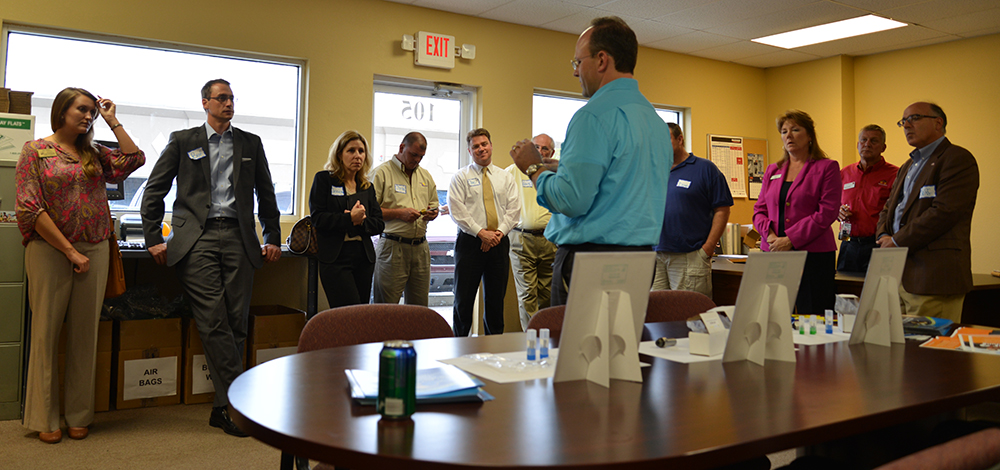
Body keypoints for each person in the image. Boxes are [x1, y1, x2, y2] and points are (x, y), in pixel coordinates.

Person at [140, 79, 281, 437]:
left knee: (236, 322)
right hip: (196, 238)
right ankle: (241, 402)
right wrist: (153, 237)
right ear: (205, 103)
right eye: (222, 98)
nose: (229, 104)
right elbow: (154, 190)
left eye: (232, 98)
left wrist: (274, 237)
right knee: (214, 319)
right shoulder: (182, 141)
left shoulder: (250, 143)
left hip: (239, 236)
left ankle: (222, 406)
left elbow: (266, 195)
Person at [509, 16, 671, 306]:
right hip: (642, 260)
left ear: (601, 60)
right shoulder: (655, 122)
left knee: (578, 350)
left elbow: (571, 201)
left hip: (592, 262)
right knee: (621, 346)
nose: (575, 73)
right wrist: (562, 169)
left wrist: (533, 167)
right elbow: (622, 179)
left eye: (577, 63)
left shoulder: (592, 116)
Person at [16, 87, 144, 443]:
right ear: (62, 111)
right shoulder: (36, 151)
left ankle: (78, 414)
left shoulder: (95, 152)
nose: (88, 117)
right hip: (50, 250)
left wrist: (112, 120)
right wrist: (70, 252)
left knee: (85, 335)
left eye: (92, 112)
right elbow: (29, 207)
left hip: (96, 247)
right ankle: (44, 417)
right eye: (82, 110)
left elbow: (133, 160)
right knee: (45, 333)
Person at [876, 102, 979, 321]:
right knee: (901, 351)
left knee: (930, 351)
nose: (906, 125)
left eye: (914, 118)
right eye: (903, 121)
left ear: (938, 123)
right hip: (899, 274)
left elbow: (944, 212)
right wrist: (883, 234)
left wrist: (896, 241)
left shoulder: (956, 158)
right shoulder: (908, 165)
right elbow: (889, 208)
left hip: (933, 277)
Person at [753, 110, 841, 317]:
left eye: (795, 130)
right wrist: (771, 237)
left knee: (813, 317)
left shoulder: (826, 167)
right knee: (773, 315)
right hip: (774, 252)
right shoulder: (773, 170)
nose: (788, 136)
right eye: (784, 131)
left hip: (813, 256)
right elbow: (759, 210)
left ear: (810, 135)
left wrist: (791, 239)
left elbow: (827, 212)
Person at [449, 128, 520, 336]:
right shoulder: (460, 177)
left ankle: (494, 349)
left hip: (499, 242)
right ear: (470, 151)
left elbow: (514, 210)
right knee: (463, 300)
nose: (481, 149)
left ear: (491, 145)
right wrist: (481, 233)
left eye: (484, 144)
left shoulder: (505, 177)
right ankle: (459, 344)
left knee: (495, 301)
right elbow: (457, 210)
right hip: (470, 243)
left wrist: (497, 234)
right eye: (476, 146)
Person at [653, 123, 732, 298]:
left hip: (690, 257)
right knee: (656, 317)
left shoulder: (705, 169)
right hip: (658, 256)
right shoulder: (656, 171)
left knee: (689, 317)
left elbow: (722, 210)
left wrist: (708, 248)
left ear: (680, 139)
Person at [311, 130, 385, 308]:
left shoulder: (367, 187)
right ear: (339, 154)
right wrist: (349, 219)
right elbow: (318, 219)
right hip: (336, 258)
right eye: (351, 151)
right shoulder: (324, 180)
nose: (357, 156)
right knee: (346, 314)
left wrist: (360, 221)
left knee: (361, 314)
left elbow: (379, 223)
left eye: (361, 151)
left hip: (363, 257)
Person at [370, 132, 438, 305]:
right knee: (386, 308)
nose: (417, 160)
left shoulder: (426, 176)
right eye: (413, 155)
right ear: (401, 148)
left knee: (419, 309)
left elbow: (434, 205)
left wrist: (432, 213)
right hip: (393, 247)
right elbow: (370, 211)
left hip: (421, 248)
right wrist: (400, 214)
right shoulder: (381, 173)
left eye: (421, 157)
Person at [505, 134, 558, 330]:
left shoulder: (554, 173)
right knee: (527, 293)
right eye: (537, 147)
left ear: (551, 152)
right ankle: (531, 339)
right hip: (520, 239)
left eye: (545, 149)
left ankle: (545, 336)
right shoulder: (512, 172)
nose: (541, 152)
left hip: (549, 239)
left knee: (547, 292)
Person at [837, 125, 898, 274]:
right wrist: (837, 212)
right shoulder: (844, 173)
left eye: (874, 141)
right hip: (848, 244)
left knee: (878, 293)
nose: (867, 144)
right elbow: (833, 202)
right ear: (858, 145)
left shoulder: (895, 174)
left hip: (877, 244)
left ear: (883, 147)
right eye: (863, 140)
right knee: (845, 293)